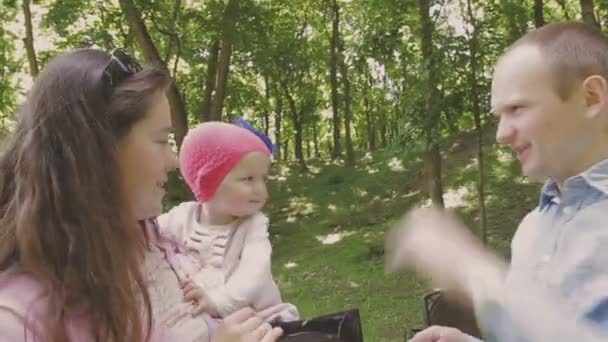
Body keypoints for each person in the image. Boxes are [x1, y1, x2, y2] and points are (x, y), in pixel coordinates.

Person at [0, 47, 281, 342]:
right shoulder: (19, 323)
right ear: (98, 152)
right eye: (161, 140)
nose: (174, 161)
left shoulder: (149, 240)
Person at [386, 21, 608, 342]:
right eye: (498, 116)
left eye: (517, 108)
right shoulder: (532, 230)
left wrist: (472, 270)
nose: (502, 134)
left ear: (591, 97)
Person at [156, 121, 299, 322]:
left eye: (263, 179)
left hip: (262, 317)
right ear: (208, 180)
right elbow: (148, 234)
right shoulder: (182, 217)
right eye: (249, 179)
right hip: (216, 323)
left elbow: (255, 270)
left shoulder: (252, 225)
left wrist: (221, 302)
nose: (260, 189)